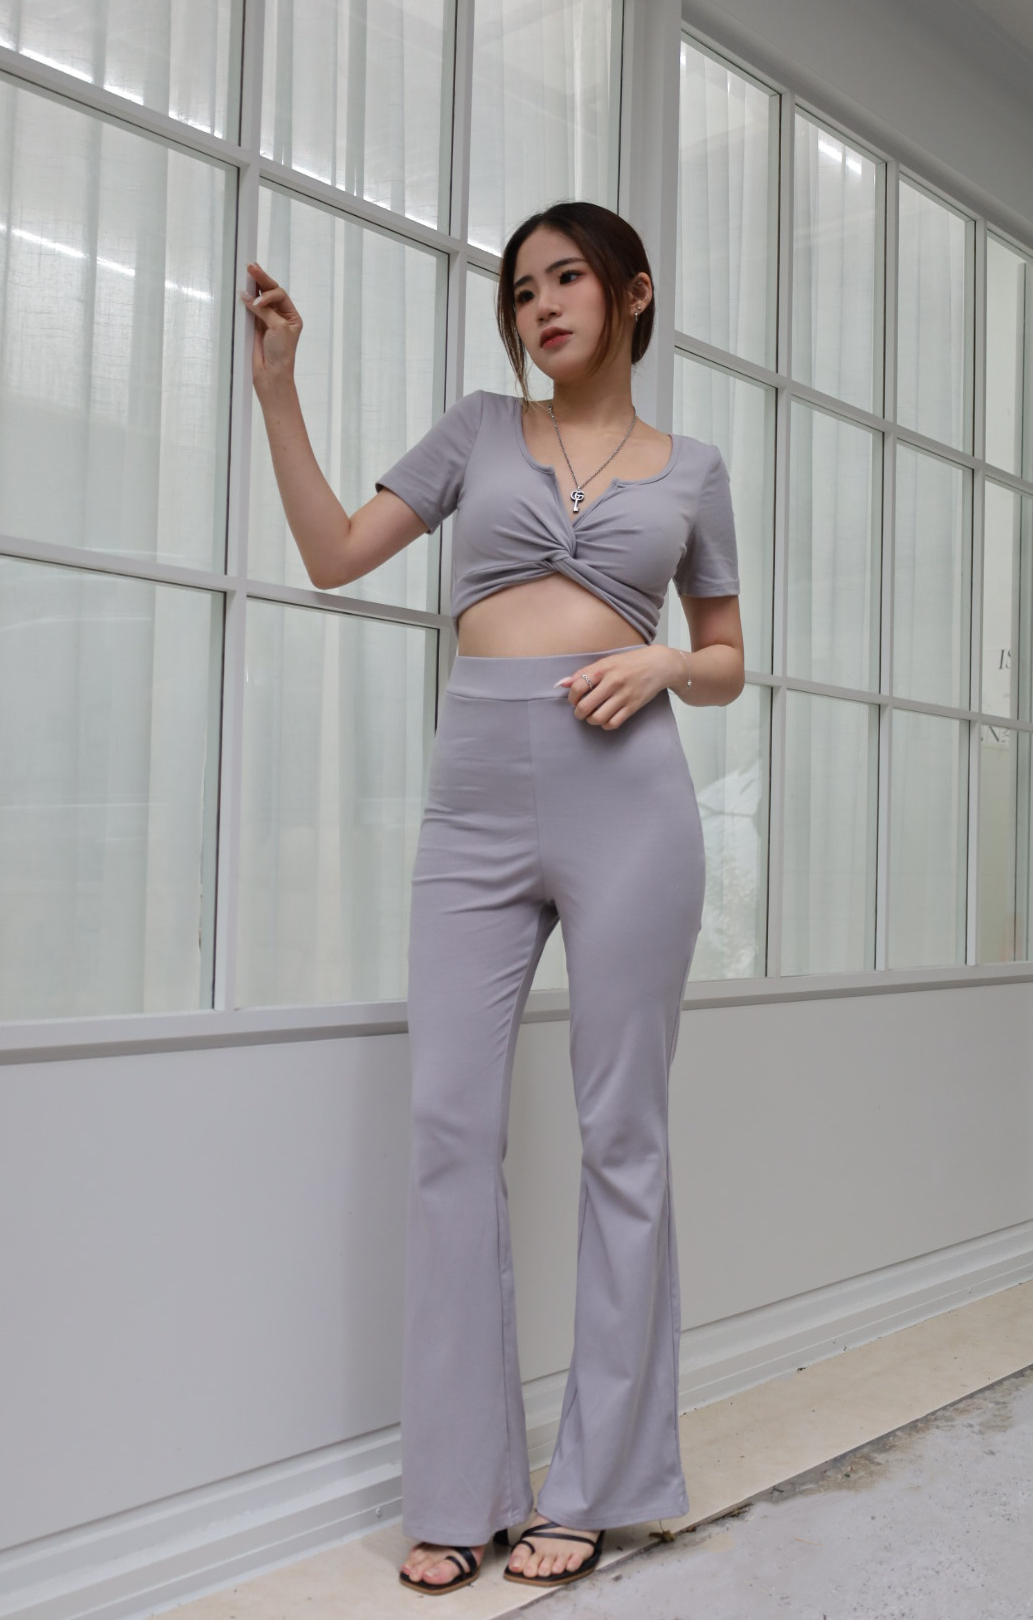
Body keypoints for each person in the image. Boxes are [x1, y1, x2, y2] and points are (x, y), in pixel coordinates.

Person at [241, 198, 744, 1598]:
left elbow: (726, 657)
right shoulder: (477, 431)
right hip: (473, 803)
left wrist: (662, 663)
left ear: (632, 293)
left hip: (629, 798)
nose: (541, 306)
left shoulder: (694, 470)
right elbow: (335, 556)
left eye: (567, 278)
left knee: (621, 1136)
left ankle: (599, 1486)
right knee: (449, 1132)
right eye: (522, 290)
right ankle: (460, 1491)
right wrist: (278, 389)